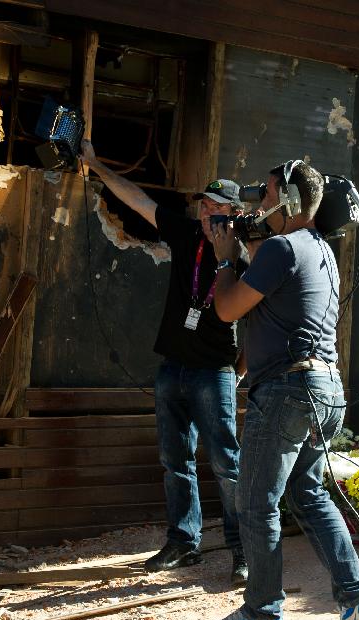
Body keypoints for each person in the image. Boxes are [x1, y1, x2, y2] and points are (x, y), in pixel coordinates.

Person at [201, 160, 359, 620]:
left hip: (287, 392)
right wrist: (246, 249)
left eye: (266, 195)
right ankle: (357, 599)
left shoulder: (283, 246)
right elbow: (274, 301)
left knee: (256, 501)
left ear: (290, 202)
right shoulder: (318, 248)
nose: (259, 204)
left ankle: (261, 614)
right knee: (306, 494)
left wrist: (224, 258)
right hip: (325, 390)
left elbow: (225, 309)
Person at [79, 140, 249, 585]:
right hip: (173, 367)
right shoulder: (186, 233)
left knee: (227, 464)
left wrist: (239, 369)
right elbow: (138, 199)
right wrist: (96, 164)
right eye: (203, 204)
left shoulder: (243, 256)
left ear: (231, 213)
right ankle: (182, 542)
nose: (205, 212)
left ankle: (242, 549)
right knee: (175, 460)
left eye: (214, 207)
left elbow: (259, 319)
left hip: (215, 372)